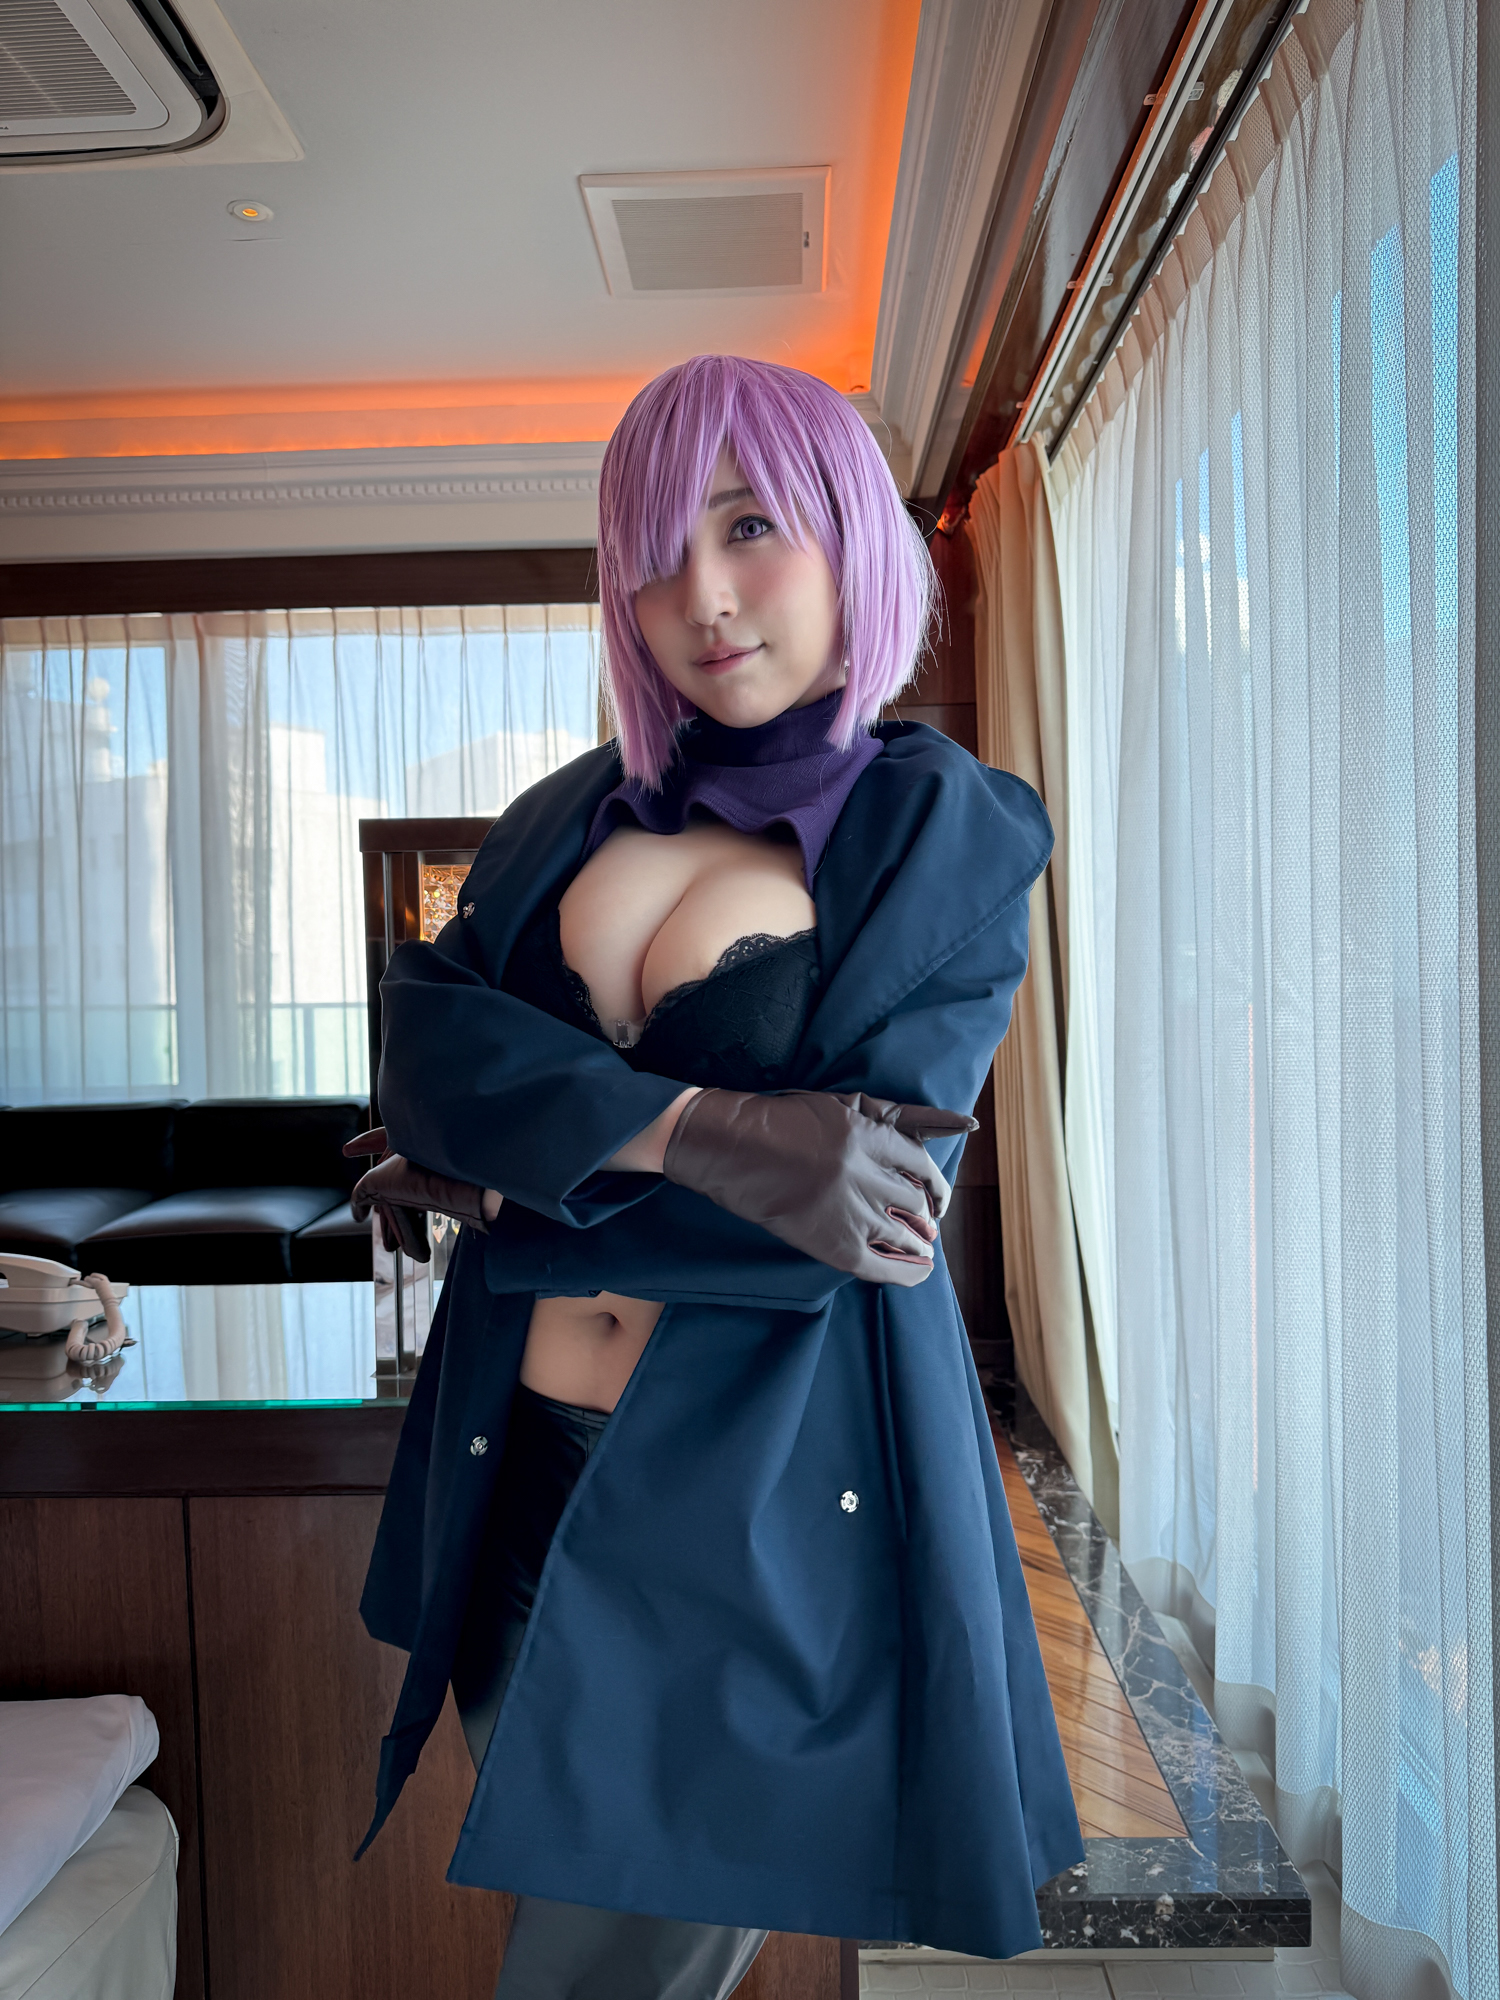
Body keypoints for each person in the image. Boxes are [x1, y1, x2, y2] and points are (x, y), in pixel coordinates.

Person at [351, 355, 1084, 1997]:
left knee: (597, 1974)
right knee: (577, 1936)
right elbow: (421, 1050)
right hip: (513, 1462)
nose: (704, 593)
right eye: (657, 551)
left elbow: (865, 1211)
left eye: (750, 526)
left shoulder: (945, 831)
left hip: (753, 1490)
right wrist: (710, 1134)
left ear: (849, 536)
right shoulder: (566, 816)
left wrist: (509, 1172)